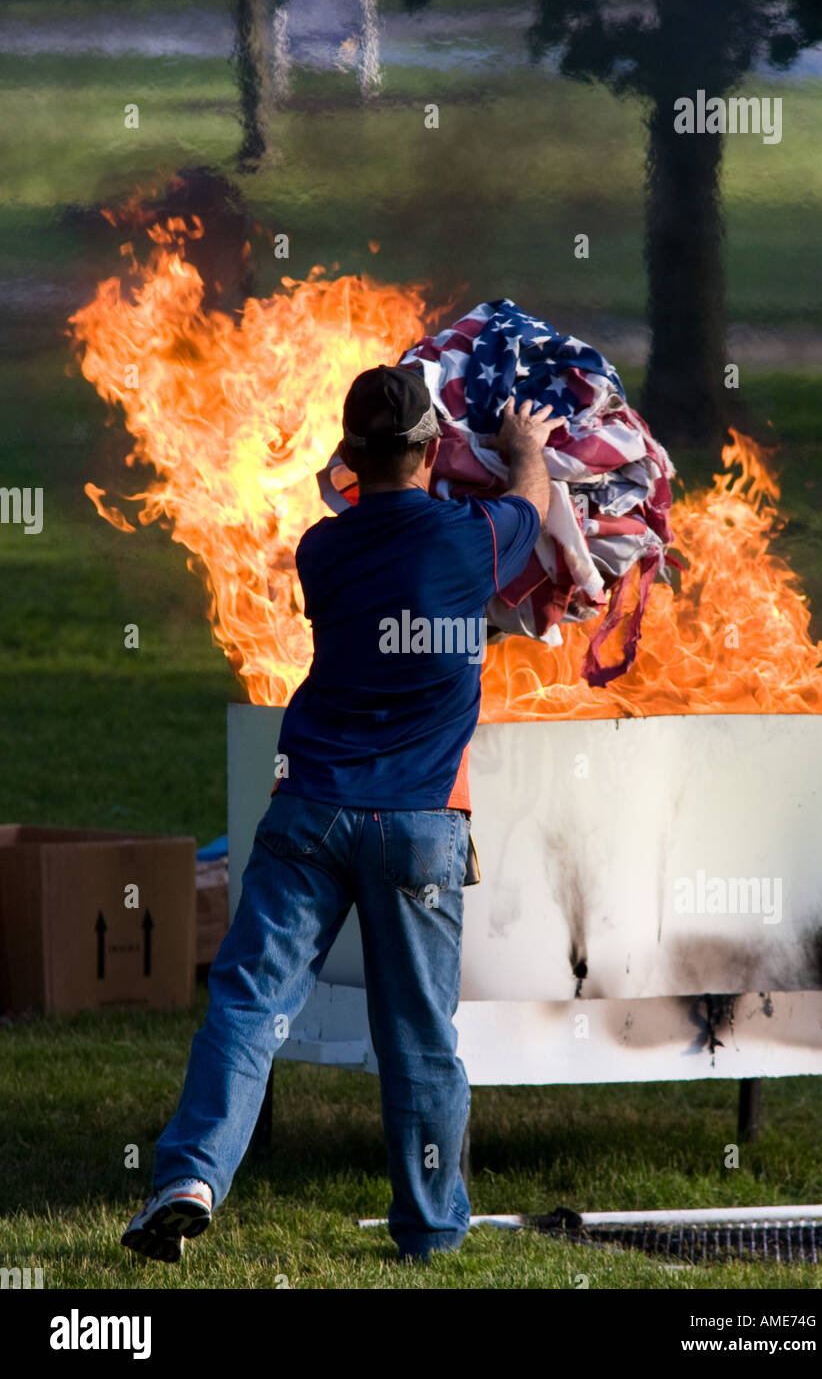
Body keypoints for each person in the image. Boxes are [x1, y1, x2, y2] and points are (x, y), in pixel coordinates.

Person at [121, 364, 563, 1264]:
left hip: (311, 811)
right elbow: (532, 500)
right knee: (419, 1040)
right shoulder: (471, 542)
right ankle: (431, 1233)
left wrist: (358, 466)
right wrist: (523, 449)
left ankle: (191, 1177)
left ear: (352, 454)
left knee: (247, 1006)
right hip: (418, 827)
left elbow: (356, 501)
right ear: (433, 449)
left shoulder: (322, 552)